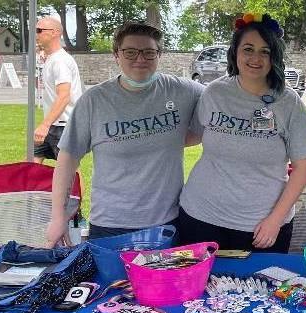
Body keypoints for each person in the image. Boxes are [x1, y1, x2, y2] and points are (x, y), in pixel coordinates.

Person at [45, 22, 203, 245]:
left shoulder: (183, 91)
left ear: (159, 55)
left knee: (162, 281)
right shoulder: (95, 100)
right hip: (111, 225)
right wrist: (58, 217)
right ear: (116, 55)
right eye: (130, 52)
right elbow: (67, 159)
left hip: (167, 223)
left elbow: (221, 99)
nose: (140, 59)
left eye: (149, 52)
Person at [178, 13, 306, 252]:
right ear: (235, 52)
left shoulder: (288, 101)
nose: (256, 58)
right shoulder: (215, 92)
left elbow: (303, 167)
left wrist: (275, 220)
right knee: (199, 288)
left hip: (261, 227)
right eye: (248, 49)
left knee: (263, 288)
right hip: (200, 216)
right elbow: (195, 135)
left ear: (274, 56)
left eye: (265, 51)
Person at [33, 16, 83, 164]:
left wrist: (44, 125)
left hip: (65, 125)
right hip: (54, 123)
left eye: (39, 30)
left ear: (54, 32)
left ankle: (76, 189)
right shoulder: (51, 58)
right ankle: (32, 188)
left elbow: (64, 96)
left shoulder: (61, 61)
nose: (36, 34)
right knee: (33, 160)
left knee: (69, 170)